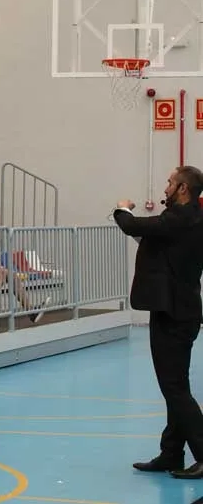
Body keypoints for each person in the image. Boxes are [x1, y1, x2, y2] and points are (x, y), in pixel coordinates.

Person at [116, 166, 203, 479]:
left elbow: (131, 224)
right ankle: (171, 453)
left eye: (170, 183)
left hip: (174, 314)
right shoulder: (190, 219)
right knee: (176, 386)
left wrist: (122, 207)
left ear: (183, 189)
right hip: (181, 310)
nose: (166, 187)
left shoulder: (179, 218)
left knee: (174, 388)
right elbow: (161, 244)